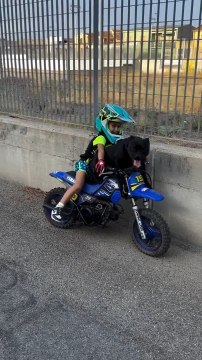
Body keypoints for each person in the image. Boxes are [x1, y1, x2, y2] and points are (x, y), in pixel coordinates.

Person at [51, 104, 134, 221]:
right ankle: (58, 208)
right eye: (113, 126)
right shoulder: (101, 138)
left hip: (97, 168)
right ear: (105, 124)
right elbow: (101, 150)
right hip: (84, 165)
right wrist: (100, 161)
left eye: (118, 127)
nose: (116, 129)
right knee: (78, 185)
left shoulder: (116, 142)